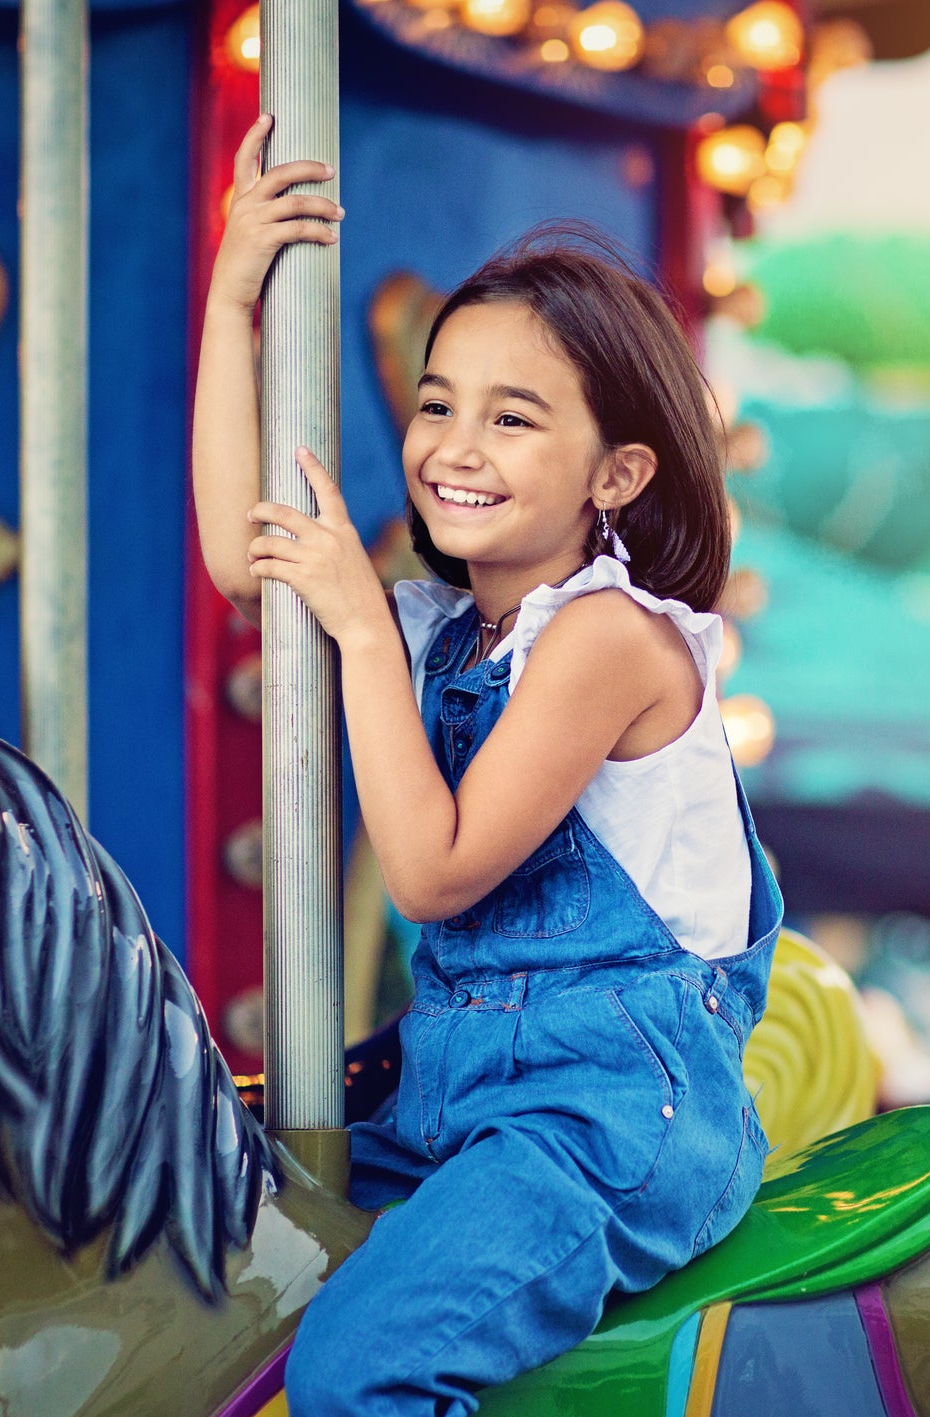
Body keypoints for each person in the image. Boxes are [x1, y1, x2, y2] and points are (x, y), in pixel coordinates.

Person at [191, 115, 783, 1416]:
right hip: (453, 1083)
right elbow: (245, 562)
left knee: (359, 1369)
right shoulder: (446, 631)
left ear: (617, 472)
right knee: (185, 1221)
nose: (456, 446)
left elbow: (436, 867)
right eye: (437, 403)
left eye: (513, 419)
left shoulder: (610, 639)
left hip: (605, 1113)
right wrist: (235, 291)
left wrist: (355, 620)